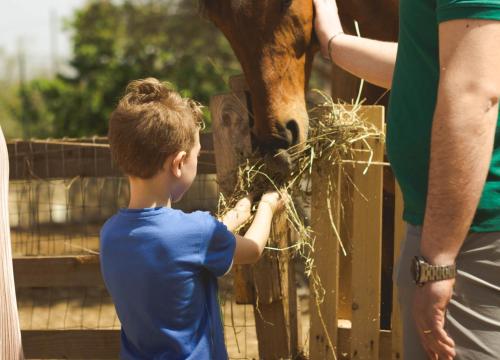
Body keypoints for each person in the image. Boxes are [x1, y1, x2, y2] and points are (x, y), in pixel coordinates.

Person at [314, 0, 500, 359]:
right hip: (460, 234)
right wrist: (334, 42)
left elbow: (474, 94)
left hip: (473, 237)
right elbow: (431, 66)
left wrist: (438, 262)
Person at [100, 78, 284, 360]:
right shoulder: (195, 232)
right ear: (178, 163)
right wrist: (269, 206)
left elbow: (182, 245)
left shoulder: (110, 234)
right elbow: (252, 249)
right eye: (196, 156)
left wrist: (237, 213)